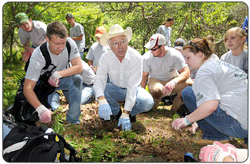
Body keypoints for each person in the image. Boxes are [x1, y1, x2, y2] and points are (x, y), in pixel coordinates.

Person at [172, 38, 248, 145]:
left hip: (238, 126)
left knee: (188, 93)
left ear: (200, 54)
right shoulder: (221, 65)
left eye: (188, 57)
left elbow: (210, 105)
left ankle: (216, 136)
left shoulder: (205, 71)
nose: (186, 61)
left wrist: (186, 120)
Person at [93, 24, 154, 131]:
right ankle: (116, 113)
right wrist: (101, 100)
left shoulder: (136, 57)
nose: (120, 46)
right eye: (115, 43)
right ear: (110, 45)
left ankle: (130, 114)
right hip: (114, 88)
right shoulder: (105, 57)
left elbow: (132, 86)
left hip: (133, 89)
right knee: (100, 91)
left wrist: (126, 112)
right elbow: (100, 79)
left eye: (123, 41)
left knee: (147, 102)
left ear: (127, 42)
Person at [23, 22, 83, 124]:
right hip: (43, 85)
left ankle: (73, 120)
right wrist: (41, 109)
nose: (60, 47)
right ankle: (52, 102)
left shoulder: (70, 44)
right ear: (47, 39)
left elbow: (79, 67)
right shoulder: (38, 56)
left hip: (59, 79)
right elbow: (27, 88)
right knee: (45, 116)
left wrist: (58, 74)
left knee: (77, 79)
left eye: (63, 43)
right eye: (56, 44)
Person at [141, 34, 193, 112]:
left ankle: (176, 109)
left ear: (162, 47)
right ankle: (151, 106)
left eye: (154, 49)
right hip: (156, 80)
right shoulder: (146, 57)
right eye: (150, 49)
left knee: (189, 83)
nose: (151, 52)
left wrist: (173, 82)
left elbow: (186, 72)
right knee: (157, 90)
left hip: (172, 80)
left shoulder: (174, 54)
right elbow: (144, 76)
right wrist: (141, 95)